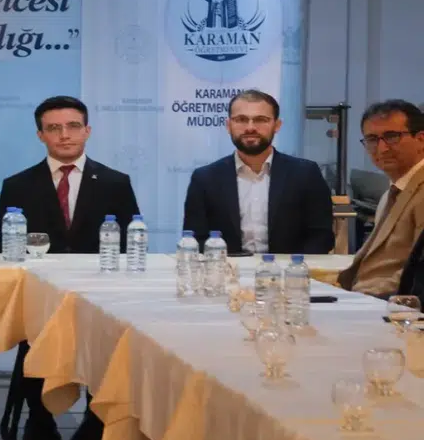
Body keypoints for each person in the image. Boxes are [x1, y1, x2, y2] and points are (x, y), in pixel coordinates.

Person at [0, 95, 140, 440]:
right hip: (42, 296)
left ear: (87, 131)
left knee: (109, 342)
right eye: (54, 128)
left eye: (73, 126)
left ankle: (97, 418)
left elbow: (130, 244)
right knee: (33, 336)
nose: (65, 135)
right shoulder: (18, 185)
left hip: (101, 294)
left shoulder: (115, 182)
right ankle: (39, 418)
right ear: (40, 135)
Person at [182, 89, 334, 254]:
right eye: (241, 120)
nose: (250, 128)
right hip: (227, 268)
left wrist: (293, 265)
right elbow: (196, 239)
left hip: (289, 268)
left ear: (277, 125)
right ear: (228, 126)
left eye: (261, 120)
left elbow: (321, 236)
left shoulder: (306, 174)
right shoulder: (205, 179)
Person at [338, 100, 424, 297]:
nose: (382, 148)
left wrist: (361, 298)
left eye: (392, 137)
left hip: (393, 304)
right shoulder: (391, 193)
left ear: (420, 139)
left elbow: (418, 274)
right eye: (372, 139)